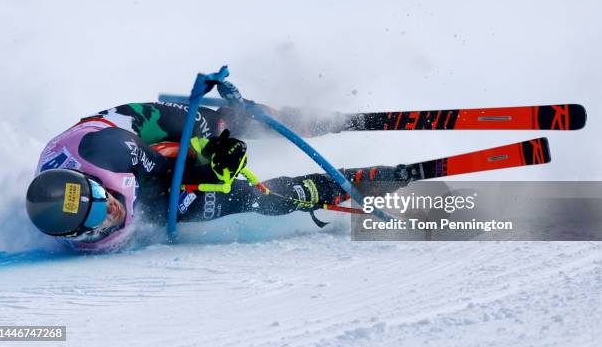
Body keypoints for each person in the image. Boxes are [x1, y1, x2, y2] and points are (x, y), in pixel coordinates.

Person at [26, 102, 407, 251]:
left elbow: (171, 163)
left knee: (217, 126)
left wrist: (214, 159)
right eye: (95, 220)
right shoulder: (71, 232)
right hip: (146, 186)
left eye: (99, 199)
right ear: (76, 234)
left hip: (139, 134)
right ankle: (340, 185)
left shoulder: (104, 154)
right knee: (242, 198)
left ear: (92, 183)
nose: (108, 212)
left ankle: (308, 118)